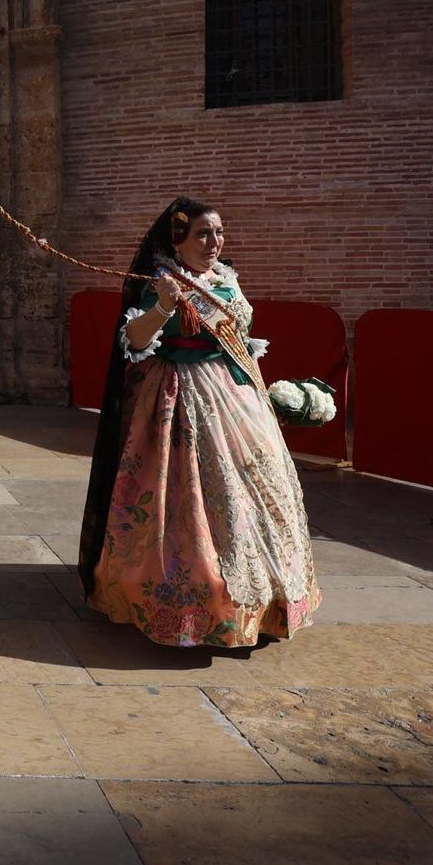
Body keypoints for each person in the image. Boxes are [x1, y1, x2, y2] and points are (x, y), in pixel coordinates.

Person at [79, 197, 322, 647]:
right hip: (180, 396)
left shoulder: (226, 278)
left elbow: (240, 337)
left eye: (219, 233)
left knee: (258, 487)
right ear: (179, 239)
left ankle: (265, 598)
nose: (214, 242)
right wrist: (164, 308)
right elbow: (134, 340)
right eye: (203, 234)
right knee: (190, 496)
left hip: (235, 397)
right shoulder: (162, 282)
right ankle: (191, 600)